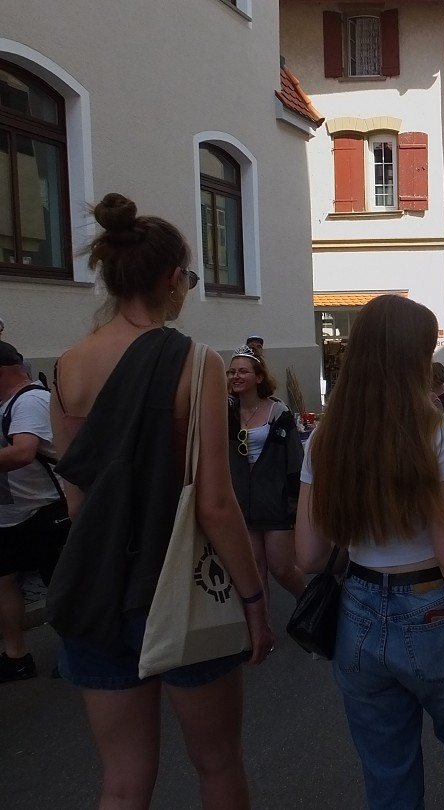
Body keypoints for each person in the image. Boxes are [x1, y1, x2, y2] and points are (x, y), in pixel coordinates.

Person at [48, 193, 271, 808]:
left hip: (94, 586)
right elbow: (216, 504)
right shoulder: (195, 362)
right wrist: (254, 599)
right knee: (218, 764)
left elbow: (75, 497)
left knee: (122, 782)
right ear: (173, 279)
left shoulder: (68, 365)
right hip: (176, 588)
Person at [294, 294, 444, 809]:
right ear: (411, 356)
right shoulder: (432, 429)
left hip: (358, 613)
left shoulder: (325, 437)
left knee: (388, 779)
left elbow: (306, 555)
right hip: (432, 608)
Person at [0, 341, 67, 682]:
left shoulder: (30, 401)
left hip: (45, 512)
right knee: (5, 582)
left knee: (61, 583)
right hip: (10, 515)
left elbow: (23, 453)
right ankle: (16, 656)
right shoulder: (7, 404)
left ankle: (79, 650)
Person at [227, 347, 306, 601]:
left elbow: (295, 461)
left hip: (276, 503)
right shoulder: (226, 414)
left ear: (259, 377)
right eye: (231, 372)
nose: (235, 376)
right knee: (255, 572)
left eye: (242, 371)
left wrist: (295, 503)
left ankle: (311, 606)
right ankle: (261, 632)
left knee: (281, 568)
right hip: (243, 505)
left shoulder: (278, 413)